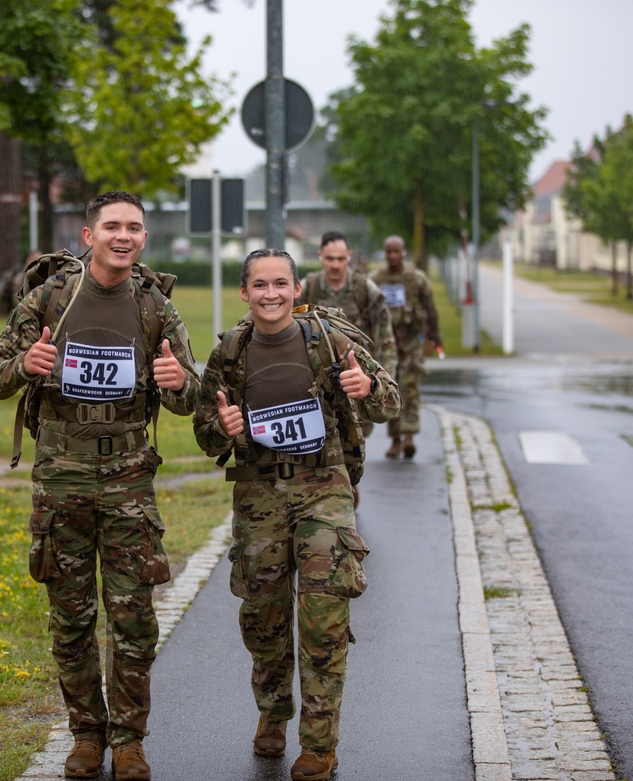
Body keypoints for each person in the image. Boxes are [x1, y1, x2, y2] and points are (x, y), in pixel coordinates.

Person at [0, 191, 201, 781]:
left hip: (130, 481)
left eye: (134, 227)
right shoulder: (50, 298)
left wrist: (179, 381)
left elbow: (190, 397)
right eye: (111, 226)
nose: (122, 236)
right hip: (61, 480)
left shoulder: (155, 305)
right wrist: (23, 366)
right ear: (89, 236)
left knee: (133, 618)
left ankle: (129, 741)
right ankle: (86, 736)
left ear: (144, 239)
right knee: (71, 618)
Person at [193, 249, 400, 781]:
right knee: (264, 619)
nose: (271, 294)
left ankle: (319, 743)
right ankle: (272, 711)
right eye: (259, 285)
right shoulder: (230, 352)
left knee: (324, 617)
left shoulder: (330, 341)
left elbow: (390, 400)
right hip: (258, 495)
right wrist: (224, 427)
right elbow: (204, 433)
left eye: (280, 283)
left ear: (296, 289)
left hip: (323, 491)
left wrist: (368, 387)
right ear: (245, 293)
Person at [371, 234, 443, 459]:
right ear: (385, 253)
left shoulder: (416, 279)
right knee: (389, 391)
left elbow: (430, 309)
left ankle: (409, 436)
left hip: (411, 343)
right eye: (389, 252)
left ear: (403, 252)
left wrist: (434, 336)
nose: (393, 256)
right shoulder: (376, 280)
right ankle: (395, 440)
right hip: (387, 345)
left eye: (397, 251)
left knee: (410, 389)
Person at [296, 231, 398, 380]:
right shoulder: (308, 288)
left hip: (359, 376)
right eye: (330, 258)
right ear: (320, 255)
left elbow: (386, 340)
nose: (335, 265)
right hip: (319, 378)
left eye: (341, 259)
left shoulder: (365, 289)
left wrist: (384, 382)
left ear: (349, 256)